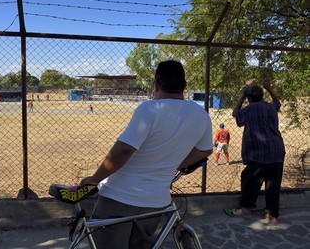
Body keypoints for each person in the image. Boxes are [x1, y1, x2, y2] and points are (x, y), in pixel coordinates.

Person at [80, 60, 213, 249]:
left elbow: (124, 150)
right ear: (184, 86)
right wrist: (175, 164)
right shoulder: (201, 114)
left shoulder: (150, 109)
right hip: (156, 201)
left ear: (156, 84)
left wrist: (94, 179)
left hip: (119, 197)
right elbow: (205, 149)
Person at [224, 78, 285, 224]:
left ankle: (246, 209)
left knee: (249, 178)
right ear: (262, 96)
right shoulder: (270, 107)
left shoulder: (249, 109)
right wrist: (269, 88)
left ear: (249, 98)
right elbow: (278, 104)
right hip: (277, 150)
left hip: (260, 153)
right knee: (273, 183)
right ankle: (271, 214)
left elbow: (235, 113)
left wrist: (242, 95)